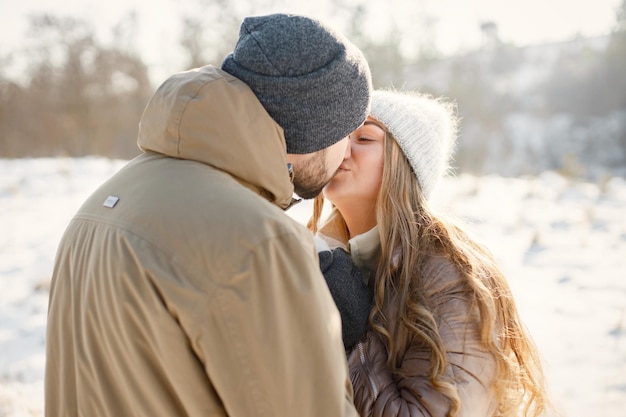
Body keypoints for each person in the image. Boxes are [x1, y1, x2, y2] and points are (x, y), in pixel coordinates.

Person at [45, 14, 372, 417]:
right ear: (315, 130)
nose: (346, 155)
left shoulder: (99, 206)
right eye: (348, 133)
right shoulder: (256, 241)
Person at [309, 90, 549, 417]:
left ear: (405, 164)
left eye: (363, 137)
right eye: (337, 137)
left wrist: (357, 340)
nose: (341, 150)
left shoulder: (449, 276)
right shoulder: (317, 258)